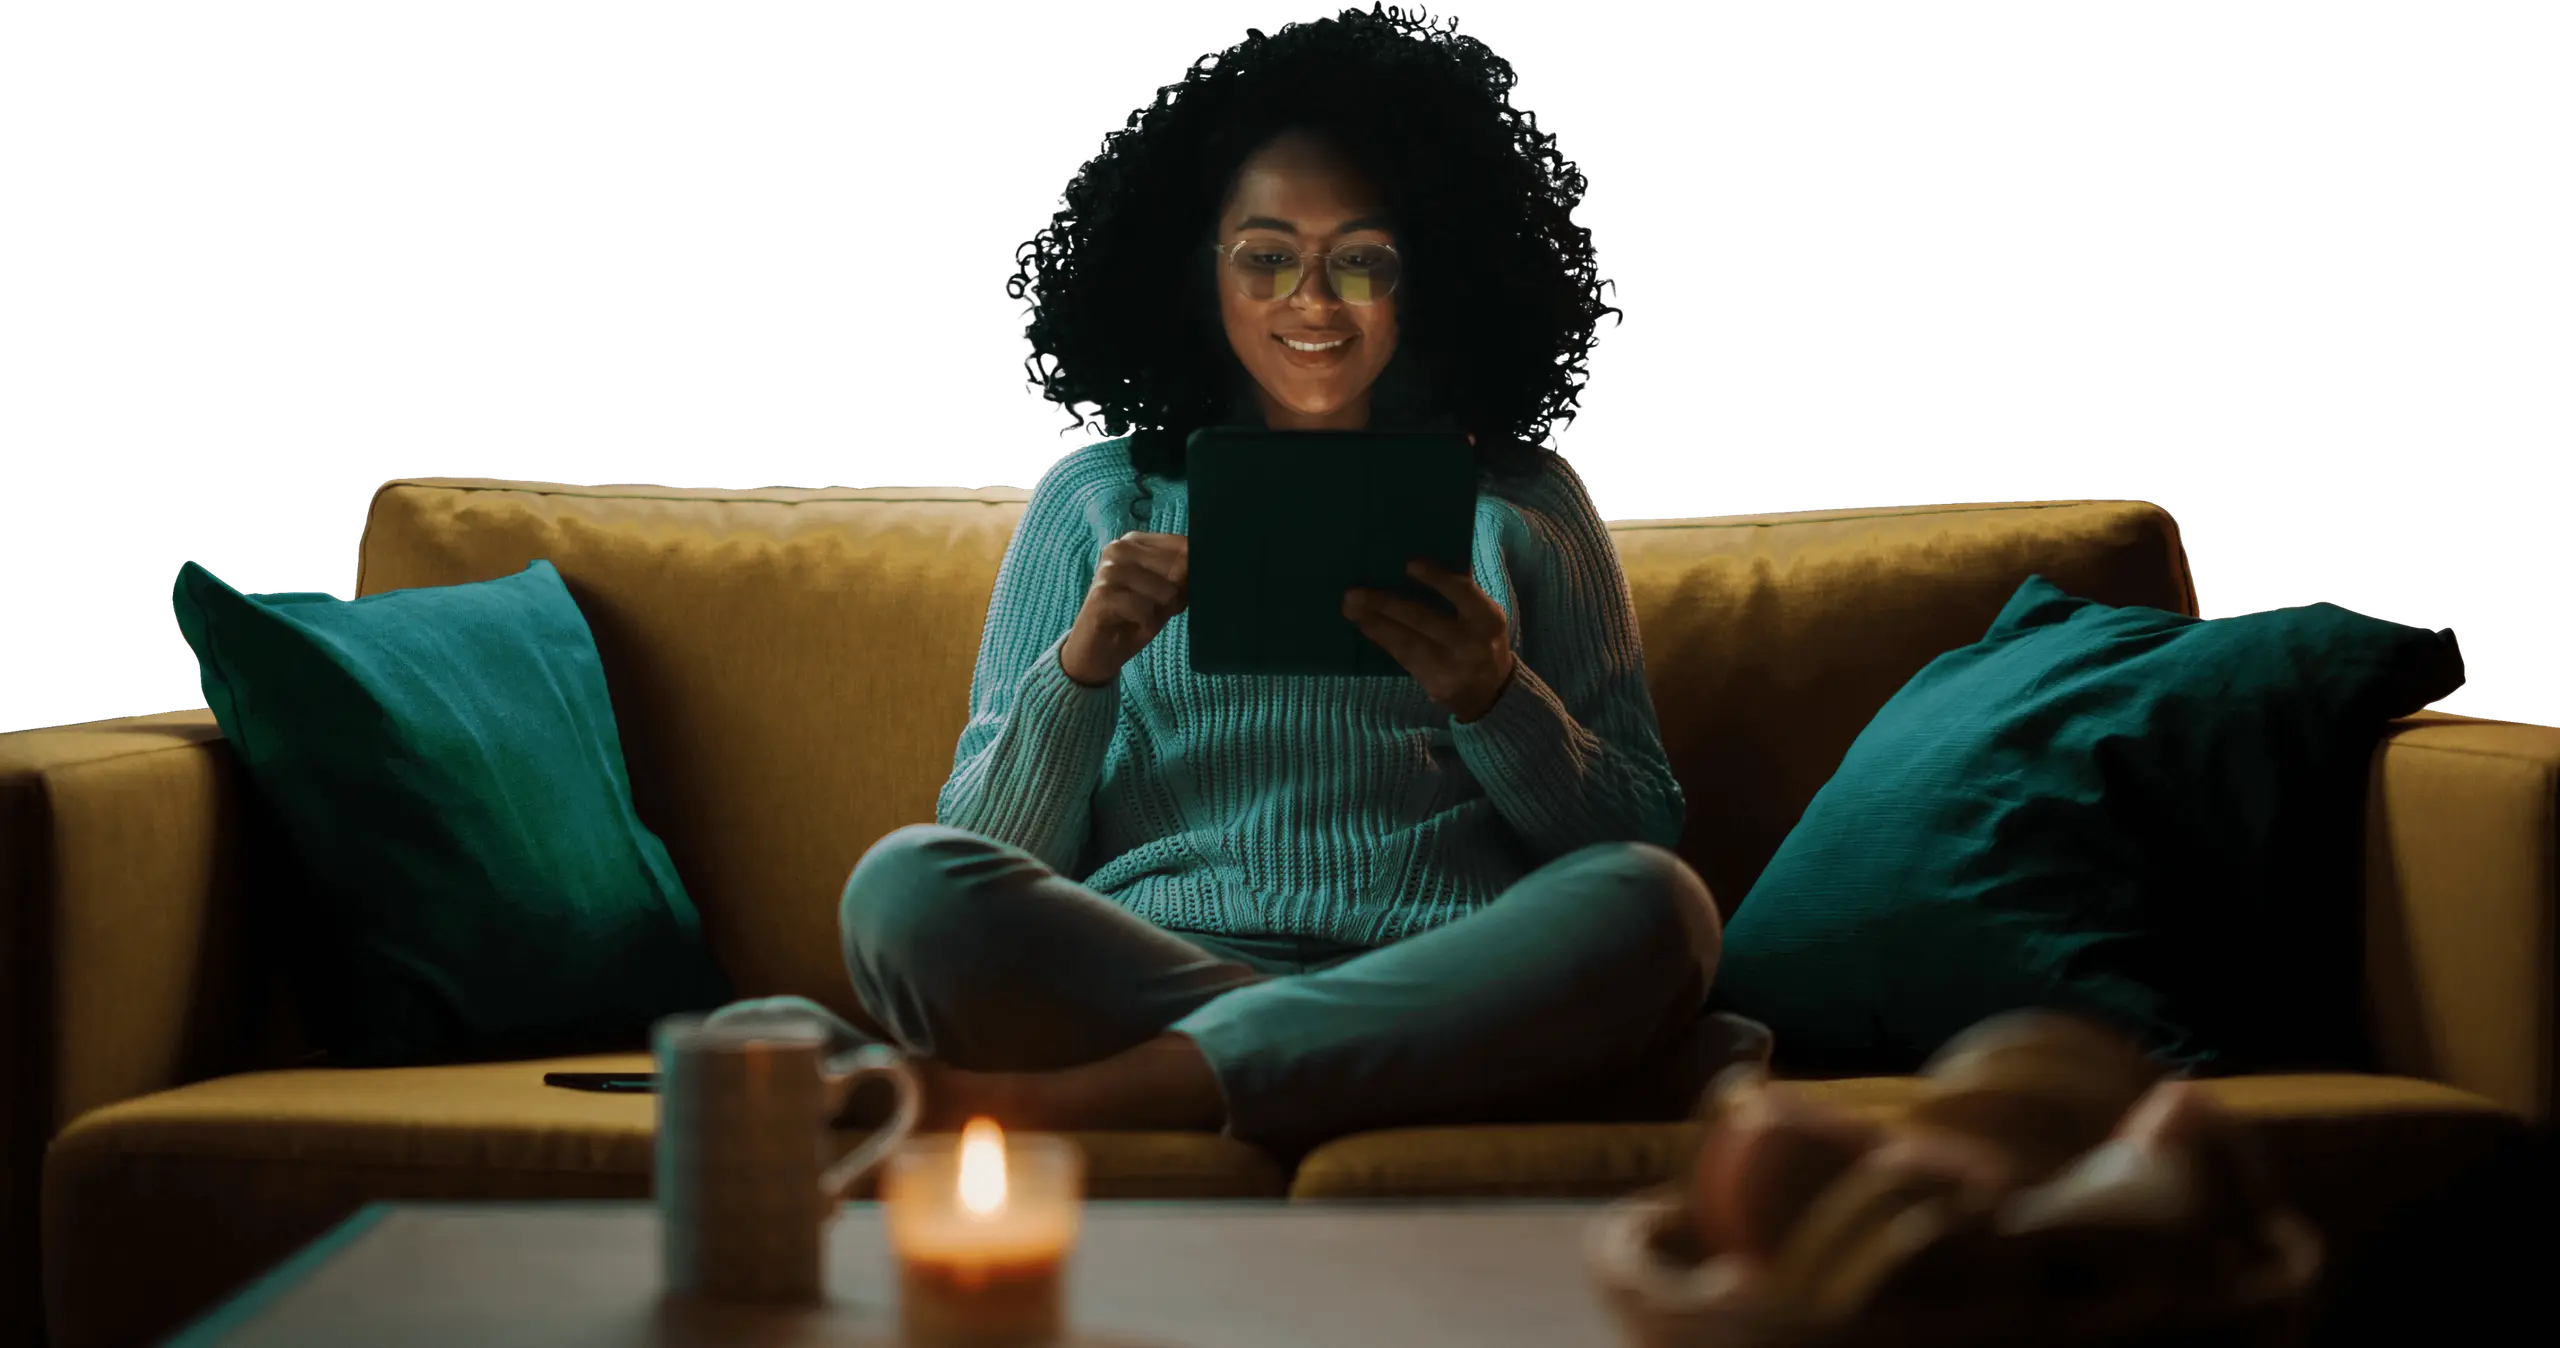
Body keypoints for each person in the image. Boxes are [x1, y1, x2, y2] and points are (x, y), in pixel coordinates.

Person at [711, 1, 1769, 1151]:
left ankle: (1052, 1108)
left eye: (1360, 261)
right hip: (1173, 970)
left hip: (1441, 956)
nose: (1312, 301)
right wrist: (1084, 667)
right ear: (1198, 273)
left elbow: (1637, 830)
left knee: (1652, 910)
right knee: (901, 887)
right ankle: (1471, 1066)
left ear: (1428, 278)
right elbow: (996, 849)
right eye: (1266, 256)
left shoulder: (1524, 498)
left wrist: (1498, 700)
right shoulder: (1096, 497)